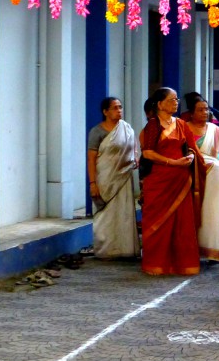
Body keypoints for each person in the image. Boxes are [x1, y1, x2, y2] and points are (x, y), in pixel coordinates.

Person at [139, 88, 204, 276]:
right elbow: (148, 152)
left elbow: (191, 148)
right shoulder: (153, 125)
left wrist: (191, 157)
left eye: (176, 99)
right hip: (160, 178)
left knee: (182, 223)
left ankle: (182, 264)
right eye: (171, 100)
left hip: (181, 179)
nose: (176, 103)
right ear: (159, 104)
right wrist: (172, 162)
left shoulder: (182, 124)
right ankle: (157, 264)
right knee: (158, 222)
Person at [87, 97, 141, 259]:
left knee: (123, 213)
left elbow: (134, 150)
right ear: (105, 112)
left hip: (124, 178)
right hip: (105, 179)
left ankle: (125, 249)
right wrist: (93, 183)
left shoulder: (127, 129)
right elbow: (91, 159)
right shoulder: (97, 132)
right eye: (115, 108)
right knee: (105, 214)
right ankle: (106, 250)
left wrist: (135, 159)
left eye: (120, 107)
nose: (119, 110)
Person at [184, 93, 219, 262]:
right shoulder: (184, 128)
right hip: (191, 176)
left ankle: (214, 245)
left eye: (206, 109)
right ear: (191, 113)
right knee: (193, 211)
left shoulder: (215, 130)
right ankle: (192, 248)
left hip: (214, 179)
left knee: (212, 209)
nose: (204, 112)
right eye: (200, 110)